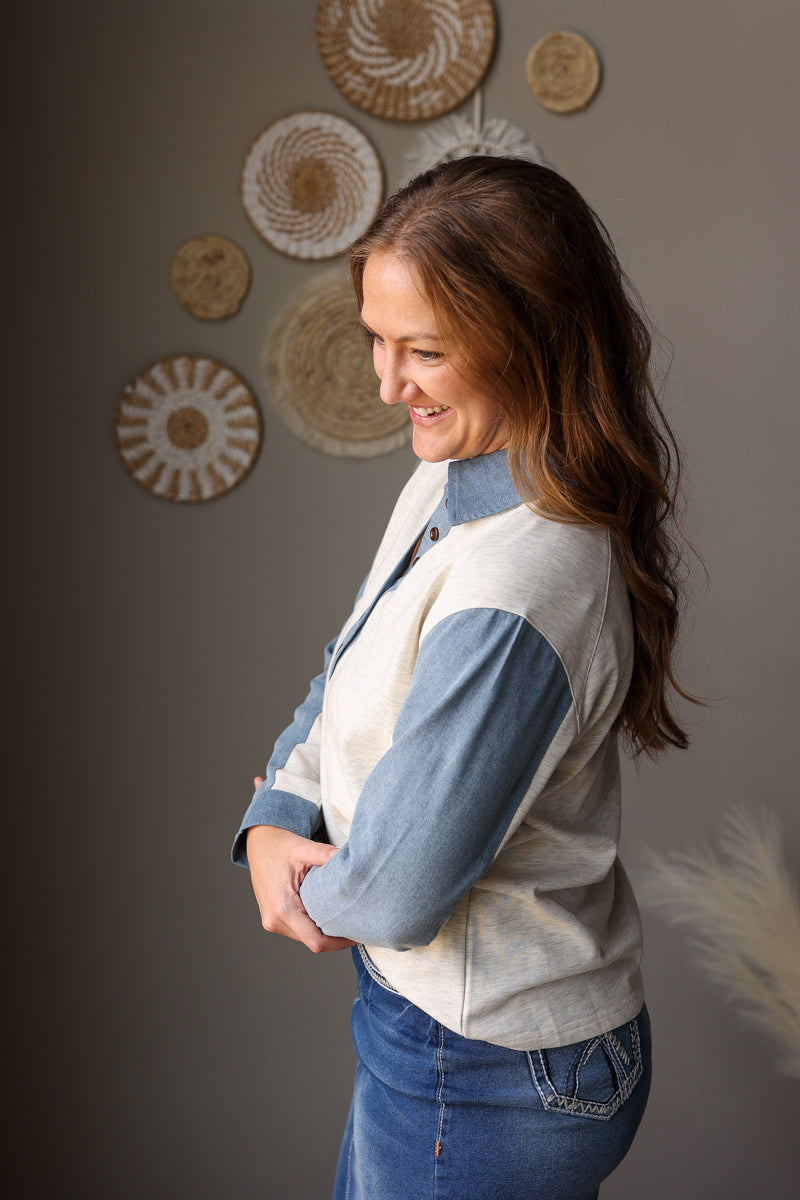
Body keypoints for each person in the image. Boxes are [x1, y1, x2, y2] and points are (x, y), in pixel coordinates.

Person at [233, 156, 693, 1200]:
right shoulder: (450, 479)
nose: (387, 385)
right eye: (375, 342)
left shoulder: (521, 587)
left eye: (423, 352)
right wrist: (276, 809)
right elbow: (344, 665)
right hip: (446, 1041)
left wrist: (296, 879)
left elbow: (395, 890)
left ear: (526, 341)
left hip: (479, 1071)